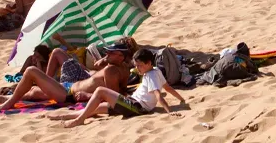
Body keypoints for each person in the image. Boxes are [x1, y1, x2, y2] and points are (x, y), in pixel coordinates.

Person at [0, 41, 134, 115]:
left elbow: (114, 97)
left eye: (110, 53)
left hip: (68, 94)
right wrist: (103, 62)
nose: (106, 54)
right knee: (36, 91)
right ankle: (1, 99)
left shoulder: (111, 71)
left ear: (121, 56)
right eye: (106, 52)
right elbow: (122, 89)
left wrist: (88, 96)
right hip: (72, 85)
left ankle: (7, 101)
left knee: (31, 72)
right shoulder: (123, 68)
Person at [51, 48, 186, 127]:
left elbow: (158, 94)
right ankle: (66, 116)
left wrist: (169, 111)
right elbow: (167, 87)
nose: (137, 68)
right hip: (132, 103)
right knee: (96, 108)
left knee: (100, 91)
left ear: (148, 63)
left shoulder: (151, 75)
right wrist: (181, 99)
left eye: (139, 65)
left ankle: (79, 120)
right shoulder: (156, 70)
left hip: (136, 107)